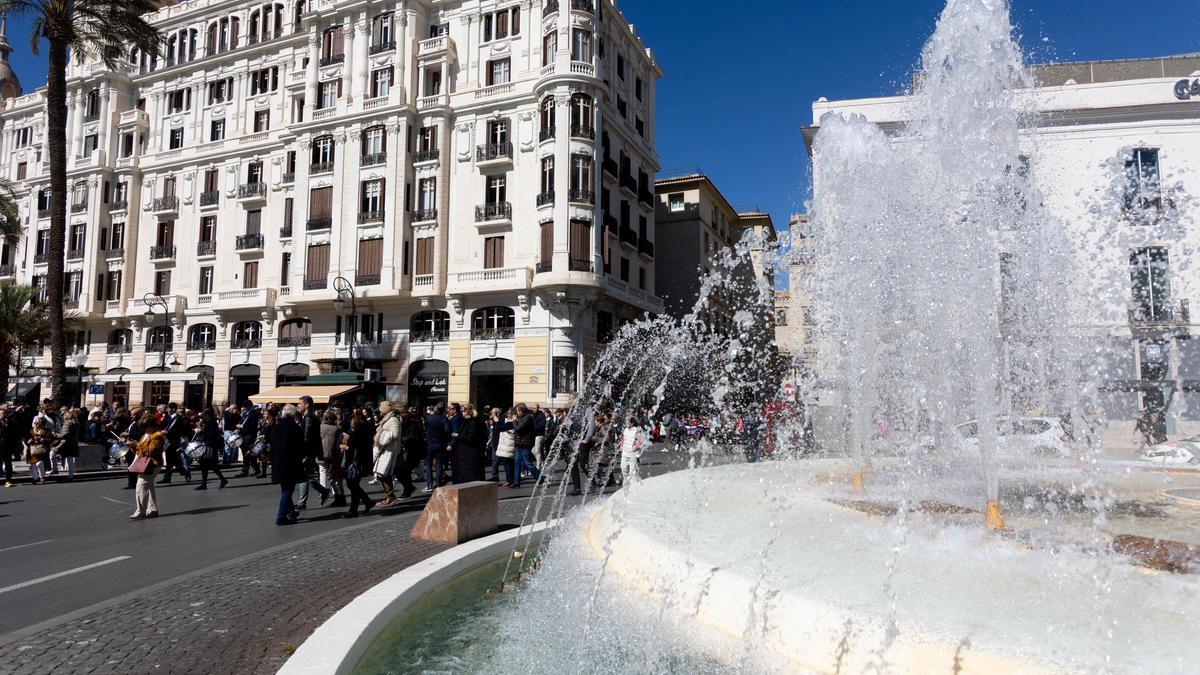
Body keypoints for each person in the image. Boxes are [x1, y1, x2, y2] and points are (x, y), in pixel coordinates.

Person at [270, 404, 305, 525]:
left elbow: (272, 446)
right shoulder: (295, 428)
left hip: (278, 462)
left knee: (285, 488)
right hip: (291, 463)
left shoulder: (276, 427)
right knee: (288, 490)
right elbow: (301, 448)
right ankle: (281, 516)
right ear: (294, 414)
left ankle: (290, 512)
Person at [294, 395, 331, 510]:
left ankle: (302, 502)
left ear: (306, 405)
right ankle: (323, 491)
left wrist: (300, 451)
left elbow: (306, 437)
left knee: (302, 477)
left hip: (307, 451)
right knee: (305, 475)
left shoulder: (309, 418)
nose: (297, 406)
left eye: (300, 404)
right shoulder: (308, 417)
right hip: (310, 451)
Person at [130, 413, 166, 519]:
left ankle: (140, 511)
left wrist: (136, 445)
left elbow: (151, 451)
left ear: (151, 425)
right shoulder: (146, 435)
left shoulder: (157, 436)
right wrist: (133, 446)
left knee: (140, 486)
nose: (145, 430)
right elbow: (140, 451)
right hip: (146, 463)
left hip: (152, 464)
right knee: (149, 486)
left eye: (146, 427)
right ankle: (153, 509)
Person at [340, 410, 375, 517]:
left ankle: (364, 503)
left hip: (355, 462)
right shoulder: (365, 428)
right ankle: (356, 508)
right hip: (361, 461)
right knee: (353, 485)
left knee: (352, 484)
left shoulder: (357, 431)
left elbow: (354, 447)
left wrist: (344, 446)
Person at [372, 401, 402, 508]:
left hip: (389, 451)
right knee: (382, 474)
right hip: (384, 450)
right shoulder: (387, 419)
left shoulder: (393, 419)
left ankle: (391, 496)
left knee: (384, 474)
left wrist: (382, 433)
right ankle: (389, 496)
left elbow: (394, 434)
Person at [452, 404, 489, 483]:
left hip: (470, 452)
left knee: (470, 474)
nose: (462, 413)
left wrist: (459, 436)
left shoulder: (473, 422)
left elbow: (471, 437)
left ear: (466, 411)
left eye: (463, 411)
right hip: (465, 452)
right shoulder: (466, 421)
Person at [159, 403, 192, 484]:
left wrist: (168, 432)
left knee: (172, 460)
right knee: (170, 460)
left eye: (169, 408)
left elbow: (182, 430)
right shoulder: (167, 417)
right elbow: (163, 426)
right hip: (167, 441)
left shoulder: (180, 419)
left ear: (174, 409)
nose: (168, 410)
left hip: (174, 441)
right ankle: (172, 476)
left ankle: (183, 473)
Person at [196, 409, 228, 490]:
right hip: (206, 444)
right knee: (204, 464)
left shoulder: (212, 422)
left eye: (205, 415)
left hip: (210, 446)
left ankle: (222, 480)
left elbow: (211, 434)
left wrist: (202, 431)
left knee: (210, 464)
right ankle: (204, 483)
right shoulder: (208, 421)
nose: (204, 416)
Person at [319, 409, 346, 507]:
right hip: (334, 455)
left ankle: (324, 490)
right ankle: (339, 497)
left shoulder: (320, 427)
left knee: (323, 472)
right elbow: (340, 442)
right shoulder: (337, 429)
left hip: (321, 454)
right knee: (335, 477)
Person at [511, 403, 541, 488]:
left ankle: (540, 478)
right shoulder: (521, 418)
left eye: (517, 411)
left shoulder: (527, 418)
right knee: (516, 463)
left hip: (525, 444)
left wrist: (514, 421)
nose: (516, 413)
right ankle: (516, 482)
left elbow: (518, 428)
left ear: (521, 411)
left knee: (528, 463)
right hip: (519, 443)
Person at [424, 402, 450, 491]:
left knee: (428, 464)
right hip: (440, 444)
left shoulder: (428, 418)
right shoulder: (443, 419)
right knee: (439, 464)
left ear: (435, 408)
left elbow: (426, 429)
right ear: (443, 410)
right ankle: (438, 483)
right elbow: (447, 431)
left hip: (429, 444)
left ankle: (429, 485)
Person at [23, 418, 54, 485]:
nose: (36, 425)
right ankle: (35, 478)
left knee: (39, 463)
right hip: (32, 450)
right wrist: (28, 441)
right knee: (33, 465)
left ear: (43, 424)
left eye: (38, 423)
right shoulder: (31, 431)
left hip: (42, 450)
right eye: (35, 423)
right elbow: (26, 439)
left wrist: (44, 440)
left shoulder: (47, 431)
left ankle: (42, 477)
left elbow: (51, 439)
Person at [54, 409, 81, 481]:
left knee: (52, 453)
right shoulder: (76, 423)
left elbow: (65, 434)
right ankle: (70, 474)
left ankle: (54, 469)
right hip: (73, 443)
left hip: (67, 443)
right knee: (70, 459)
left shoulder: (67, 423)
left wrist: (55, 435)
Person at [619, 416, 645, 484]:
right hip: (625, 451)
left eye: (628, 423)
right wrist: (621, 445)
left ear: (632, 423)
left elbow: (640, 441)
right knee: (623, 467)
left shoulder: (637, 430)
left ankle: (633, 484)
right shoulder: (626, 430)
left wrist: (635, 447)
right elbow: (623, 439)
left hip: (632, 452)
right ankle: (626, 480)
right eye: (626, 423)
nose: (626, 424)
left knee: (632, 470)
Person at [237, 404, 261, 477]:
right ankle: (250, 470)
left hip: (249, 435)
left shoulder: (254, 414)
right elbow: (241, 422)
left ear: (250, 406)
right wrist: (238, 428)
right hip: (243, 435)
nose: (244, 407)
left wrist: (242, 426)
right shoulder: (245, 414)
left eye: (246, 406)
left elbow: (253, 425)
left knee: (248, 453)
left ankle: (251, 470)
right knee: (245, 453)